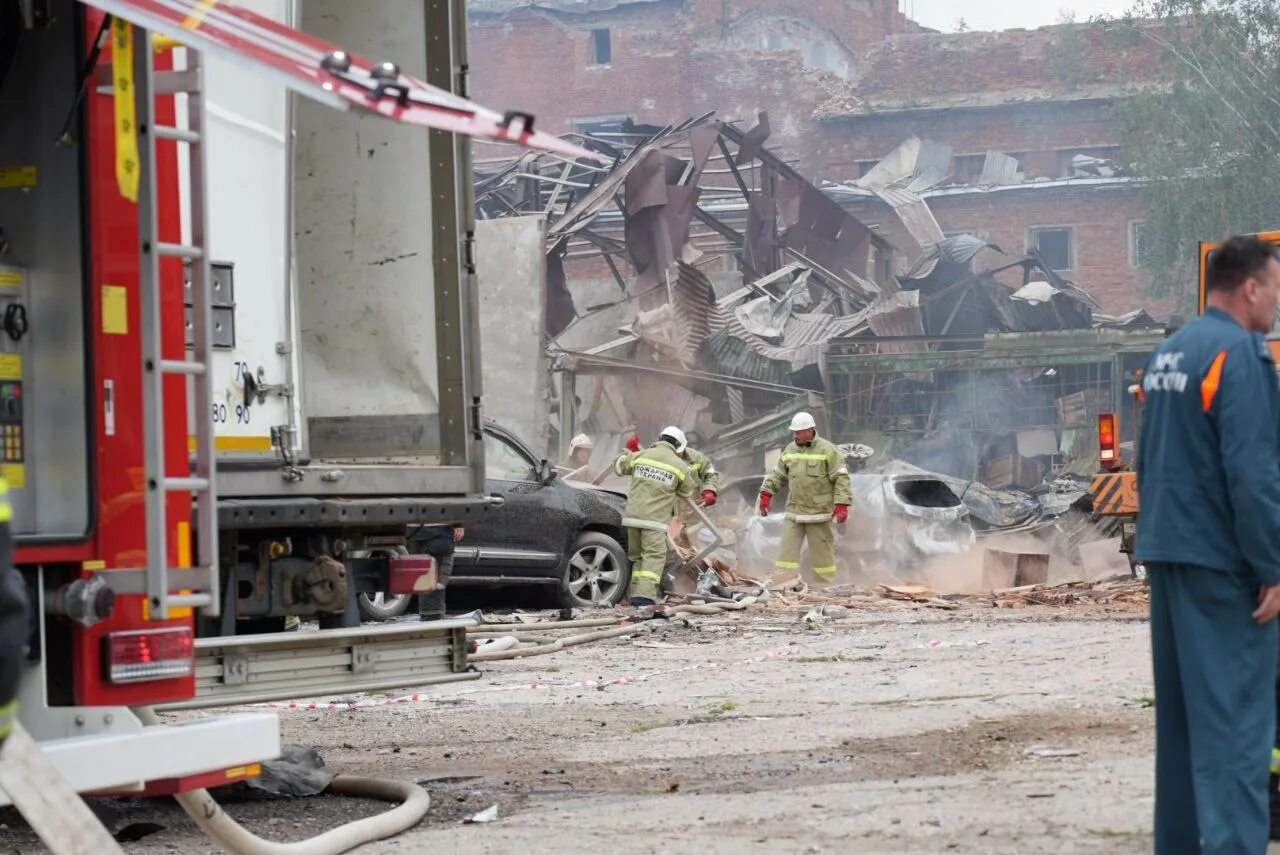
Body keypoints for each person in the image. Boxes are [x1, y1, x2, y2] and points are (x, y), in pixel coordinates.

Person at [1134, 234, 1280, 853]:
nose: (1277, 301)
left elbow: (1147, 460)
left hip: (1167, 554)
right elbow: (1254, 472)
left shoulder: (1171, 352)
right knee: (1237, 727)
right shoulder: (1240, 355)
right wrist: (1272, 564)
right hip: (1222, 564)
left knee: (1184, 727)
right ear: (1250, 287)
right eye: (1275, 287)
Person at [758, 412, 851, 583]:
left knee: (823, 558)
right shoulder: (790, 450)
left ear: (810, 430)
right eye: (794, 432)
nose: (795, 435)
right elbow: (777, 475)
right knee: (786, 556)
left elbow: (841, 478)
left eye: (799, 432)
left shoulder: (828, 449)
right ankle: (785, 586)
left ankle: (823, 589)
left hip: (820, 514)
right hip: (795, 513)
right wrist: (766, 494)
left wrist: (842, 504)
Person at [614, 426, 693, 607]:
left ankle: (635, 595)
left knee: (638, 558)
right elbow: (687, 491)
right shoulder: (679, 465)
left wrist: (628, 451)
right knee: (654, 558)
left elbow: (619, 466)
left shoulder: (641, 456)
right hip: (654, 521)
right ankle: (645, 598)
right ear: (679, 446)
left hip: (632, 518)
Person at [411, 524, 464, 621]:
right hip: (440, 533)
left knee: (424, 575)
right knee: (438, 578)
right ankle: (433, 616)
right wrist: (459, 524)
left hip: (415, 532)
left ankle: (428, 615)